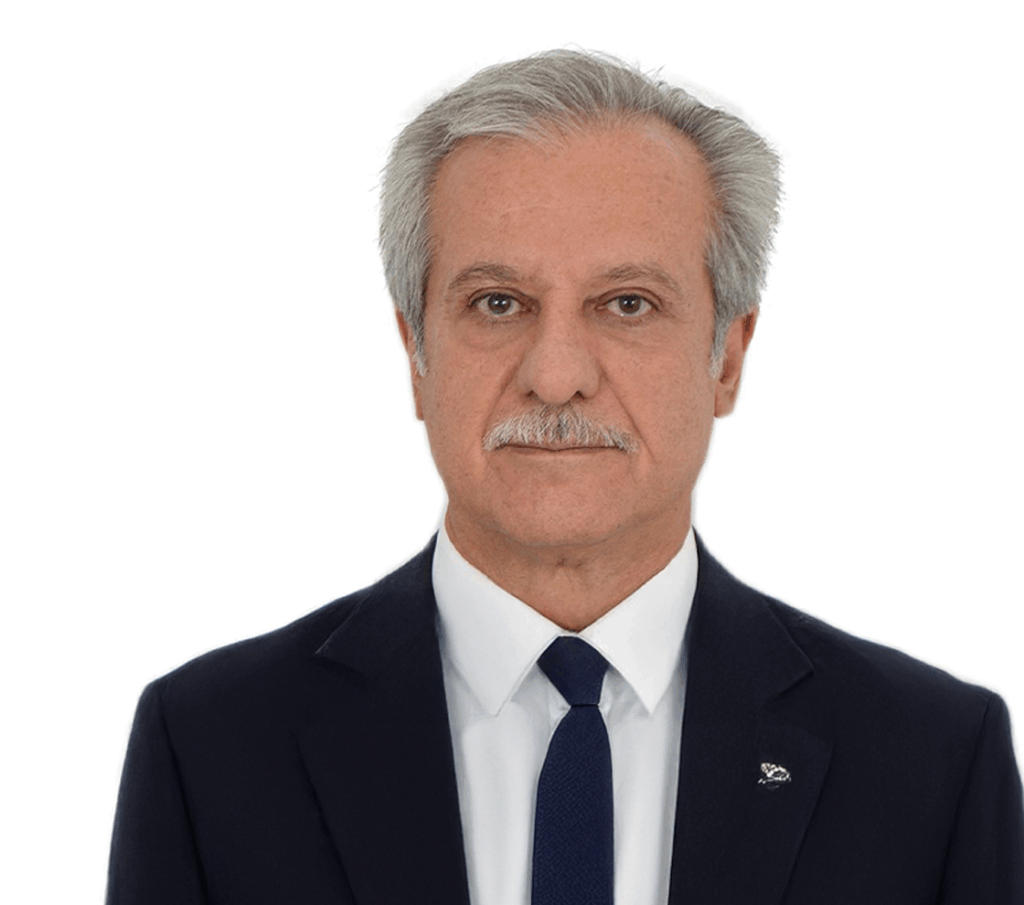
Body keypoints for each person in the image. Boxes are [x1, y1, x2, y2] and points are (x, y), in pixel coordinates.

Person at [106, 49, 1024, 905]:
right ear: (416, 355)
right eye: (497, 302)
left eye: (627, 303)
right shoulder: (210, 749)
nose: (555, 374)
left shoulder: (934, 764)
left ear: (728, 358)